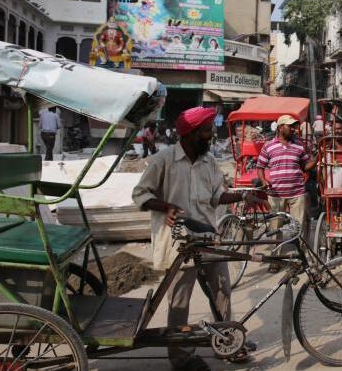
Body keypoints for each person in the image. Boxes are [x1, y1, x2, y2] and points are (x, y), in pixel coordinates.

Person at [132, 107, 260, 370]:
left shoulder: (209, 161)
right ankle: (181, 357)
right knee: (180, 302)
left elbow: (216, 195)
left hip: (208, 238)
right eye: (207, 130)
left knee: (222, 292)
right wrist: (165, 206)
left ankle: (228, 342)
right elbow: (140, 194)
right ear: (191, 134)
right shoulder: (162, 161)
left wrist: (243, 196)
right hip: (179, 242)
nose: (212, 134)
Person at [257, 114, 316, 272]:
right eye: (290, 126)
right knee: (275, 229)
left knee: (299, 226)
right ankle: (275, 259)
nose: (293, 129)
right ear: (280, 127)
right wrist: (263, 181)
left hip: (297, 192)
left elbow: (306, 166)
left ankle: (299, 259)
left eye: (294, 126)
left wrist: (316, 158)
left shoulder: (299, 146)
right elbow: (260, 167)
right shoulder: (268, 146)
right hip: (276, 193)